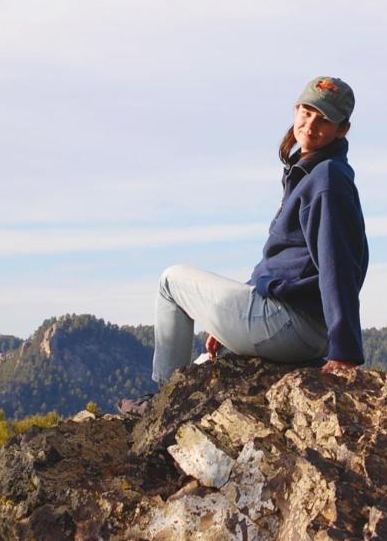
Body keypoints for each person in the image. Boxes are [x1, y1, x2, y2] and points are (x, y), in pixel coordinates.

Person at [152, 76, 369, 384]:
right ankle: (179, 388)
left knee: (170, 281)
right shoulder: (310, 174)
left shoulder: (327, 179)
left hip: (292, 324)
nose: (310, 125)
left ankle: (161, 398)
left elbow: (339, 266)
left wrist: (345, 351)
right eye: (307, 112)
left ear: (342, 129)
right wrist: (227, 322)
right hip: (296, 324)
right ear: (296, 110)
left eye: (324, 120)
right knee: (207, 364)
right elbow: (284, 262)